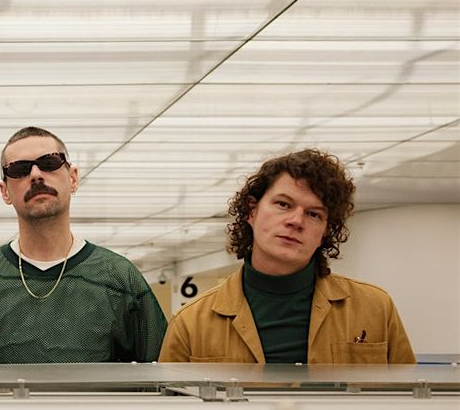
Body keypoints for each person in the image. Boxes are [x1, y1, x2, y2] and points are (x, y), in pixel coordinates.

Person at [160, 149, 414, 363]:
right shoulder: (190, 323)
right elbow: (169, 406)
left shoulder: (375, 308)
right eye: (283, 204)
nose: (296, 221)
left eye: (314, 214)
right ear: (251, 211)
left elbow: (410, 400)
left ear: (325, 231)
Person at [0, 127, 166, 363]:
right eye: (19, 169)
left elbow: (159, 372)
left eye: (49, 163)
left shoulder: (120, 277)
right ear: (5, 192)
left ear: (73, 178)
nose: (35, 175)